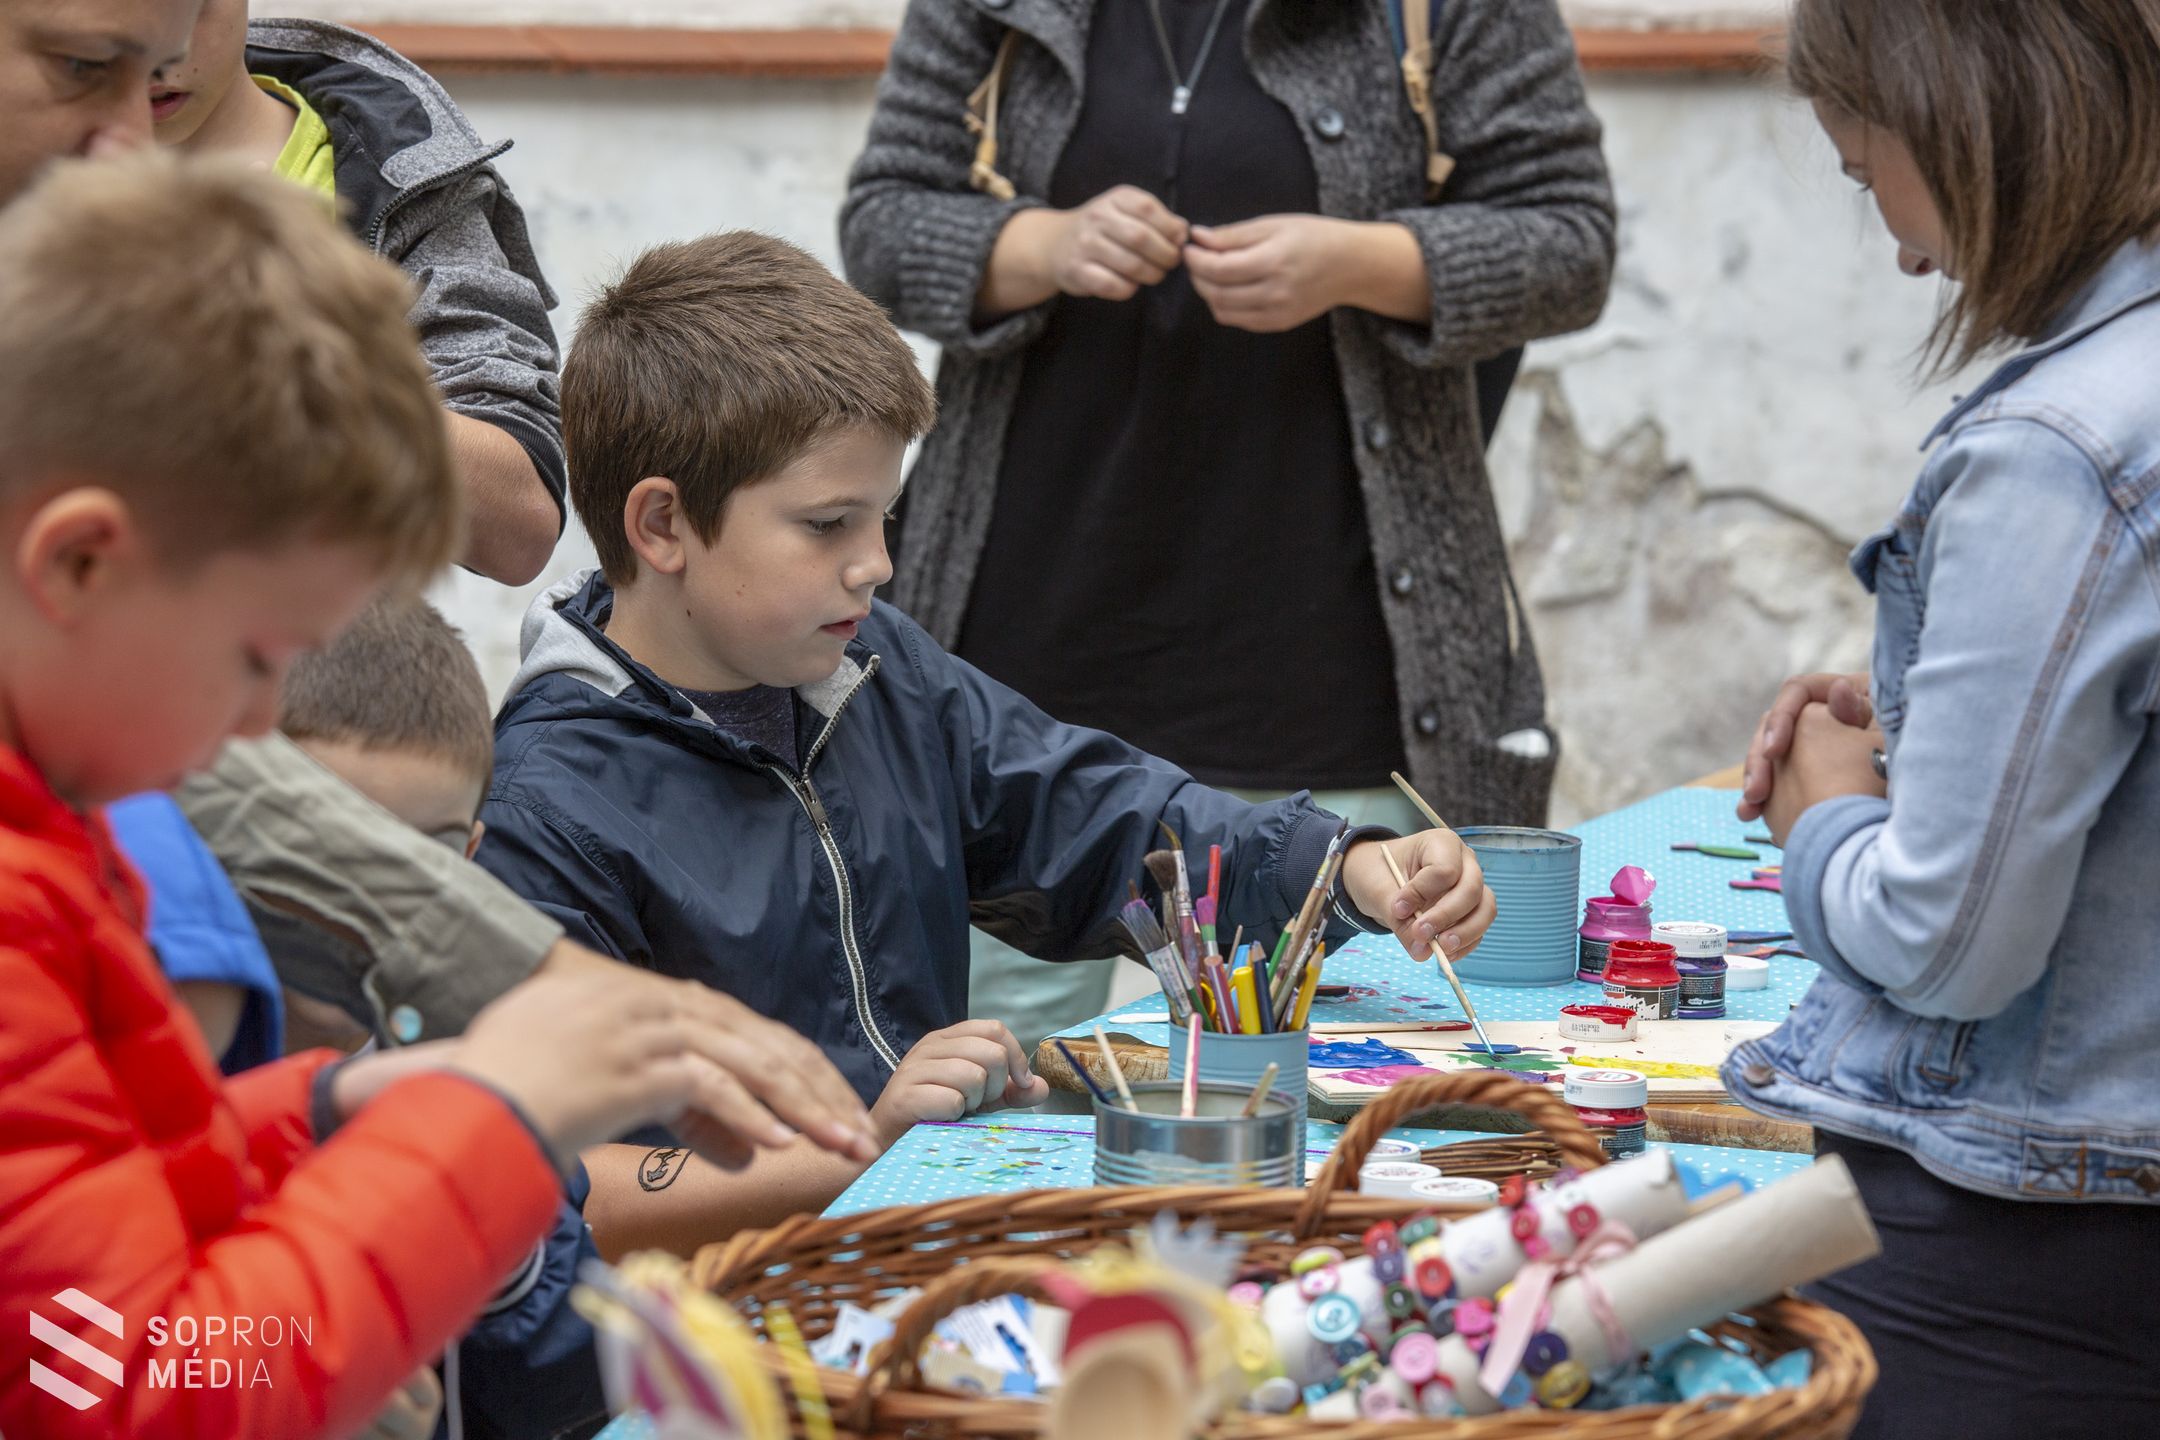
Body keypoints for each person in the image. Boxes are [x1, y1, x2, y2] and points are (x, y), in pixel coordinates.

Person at [0, 153, 876, 1440]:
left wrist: (322, 1112)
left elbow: (103, 1194)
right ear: (78, 563)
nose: (256, 722)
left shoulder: (63, 813)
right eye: (256, 656)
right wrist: (492, 1117)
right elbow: (128, 1376)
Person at [475, 230, 1496, 1248]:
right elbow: (545, 1179)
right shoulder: (550, 806)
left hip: (916, 1251)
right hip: (703, 1342)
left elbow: (1100, 818)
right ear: (661, 527)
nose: (875, 564)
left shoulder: (880, 672)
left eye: (885, 517)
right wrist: (851, 1148)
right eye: (829, 524)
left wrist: (1343, 867)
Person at [840, 0, 1614, 1048]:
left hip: (1338, 679)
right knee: (998, 1102)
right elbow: (882, 220)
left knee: (1339, 1098)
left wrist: (1360, 261)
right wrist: (1045, 243)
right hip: (1024, 681)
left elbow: (1570, 238)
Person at [1726, 2, 2160, 1432]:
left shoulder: (2063, 447)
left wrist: (1828, 814)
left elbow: (1948, 940)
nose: (1909, 252)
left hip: (2024, 1256)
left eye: (1872, 179)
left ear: (1961, 118)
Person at [270, 595, 612, 1440]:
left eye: (420, 859)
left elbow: (575, 1383)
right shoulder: (139, 1063)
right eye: (327, 848)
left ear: (466, 861)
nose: (370, 907)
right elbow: (60, 1357)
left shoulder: (474, 1067)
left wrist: (499, 1258)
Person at [153, 3, 564, 584]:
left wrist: (282, 374)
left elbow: (520, 524)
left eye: (186, 8)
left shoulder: (397, 171)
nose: (158, 56)